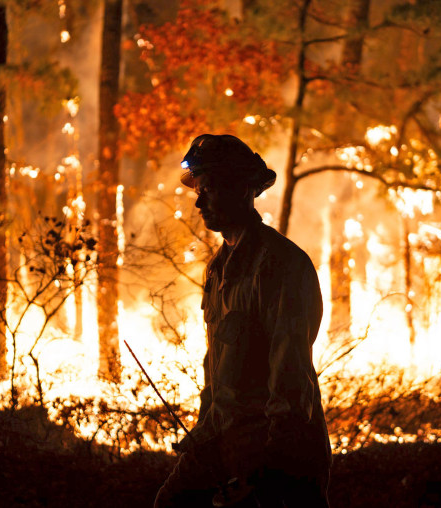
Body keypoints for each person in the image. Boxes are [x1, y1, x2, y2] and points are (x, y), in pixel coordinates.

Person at [154, 134, 331, 508]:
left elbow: (290, 381)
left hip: (278, 456)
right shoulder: (218, 271)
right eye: (198, 191)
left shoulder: (280, 266)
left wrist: (268, 472)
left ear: (243, 189)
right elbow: (216, 372)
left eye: (212, 189)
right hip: (225, 441)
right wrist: (203, 437)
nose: (200, 202)